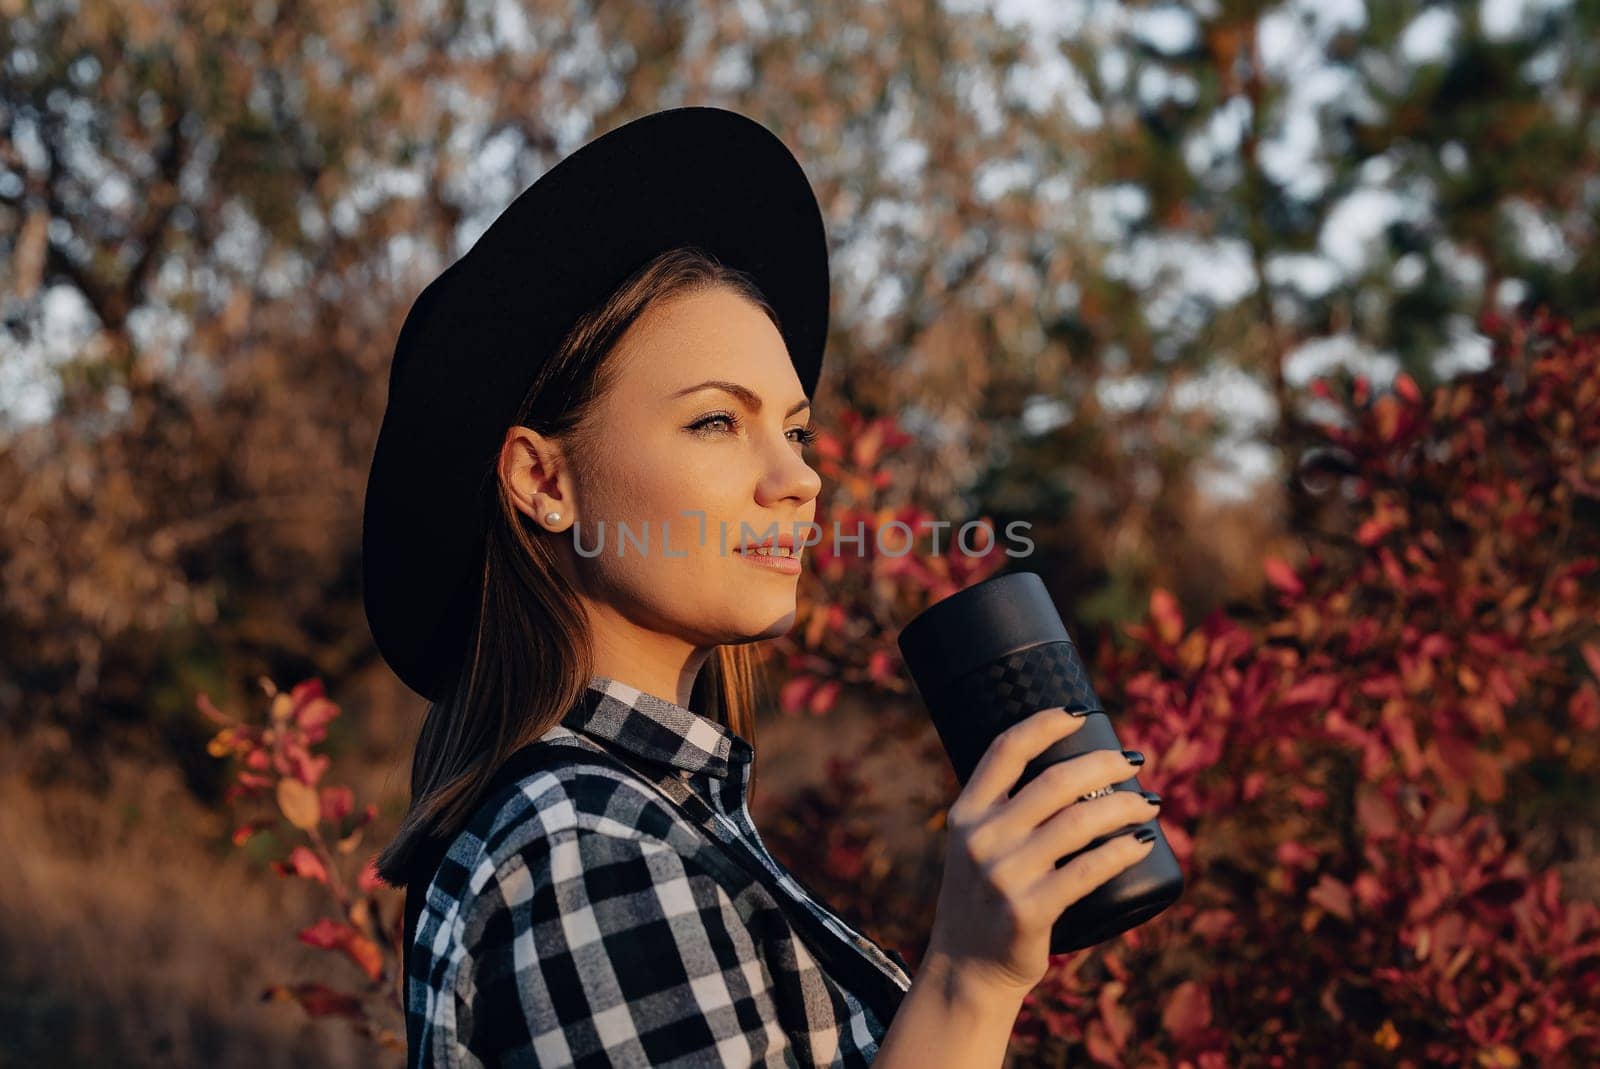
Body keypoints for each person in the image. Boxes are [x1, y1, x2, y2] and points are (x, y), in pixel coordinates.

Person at [362, 106, 1160, 1068]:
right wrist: (968, 982)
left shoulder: (647, 822)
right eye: (714, 423)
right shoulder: (585, 851)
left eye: (795, 430)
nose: (800, 478)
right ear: (546, 481)